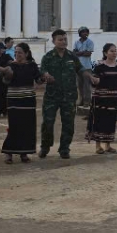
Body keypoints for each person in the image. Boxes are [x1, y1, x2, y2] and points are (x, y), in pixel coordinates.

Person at [0, 42, 42, 164]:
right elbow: (5, 81)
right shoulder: (10, 66)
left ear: (26, 53)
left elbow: (38, 79)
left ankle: (24, 153)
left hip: (28, 100)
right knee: (14, 126)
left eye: (19, 52)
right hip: (13, 99)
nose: (17, 55)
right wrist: (7, 75)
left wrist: (46, 78)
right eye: (15, 52)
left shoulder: (32, 65)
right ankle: (8, 153)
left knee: (27, 127)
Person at [39, 29, 83, 159]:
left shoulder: (72, 56)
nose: (63, 42)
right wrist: (45, 75)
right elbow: (42, 72)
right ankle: (45, 147)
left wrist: (91, 77)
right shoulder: (47, 57)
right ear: (54, 41)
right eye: (60, 39)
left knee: (68, 123)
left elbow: (80, 70)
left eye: (65, 39)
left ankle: (64, 148)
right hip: (51, 96)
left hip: (69, 96)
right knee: (47, 123)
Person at [86, 43, 117, 153]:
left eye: (115, 51)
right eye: (111, 51)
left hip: (113, 98)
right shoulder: (99, 67)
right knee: (99, 121)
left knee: (110, 121)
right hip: (100, 98)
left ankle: (108, 145)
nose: (114, 53)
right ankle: (98, 146)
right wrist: (93, 79)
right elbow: (95, 81)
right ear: (105, 53)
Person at [74, 27, 95, 106]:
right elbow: (74, 53)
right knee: (79, 85)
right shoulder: (76, 42)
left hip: (87, 67)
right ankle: (81, 100)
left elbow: (88, 53)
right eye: (83, 32)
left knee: (87, 86)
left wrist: (79, 53)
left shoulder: (90, 42)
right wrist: (83, 52)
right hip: (78, 67)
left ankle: (87, 101)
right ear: (80, 33)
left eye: (86, 32)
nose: (85, 33)